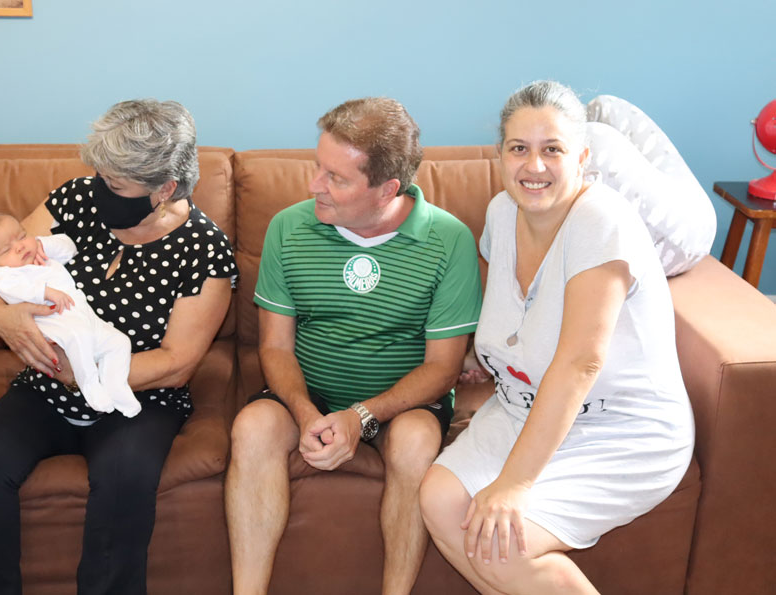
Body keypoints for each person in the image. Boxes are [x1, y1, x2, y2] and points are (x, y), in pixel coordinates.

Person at [0, 99, 237, 594]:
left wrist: (85, 376)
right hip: (46, 385)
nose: (100, 190)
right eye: (100, 176)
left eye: (116, 185)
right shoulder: (78, 200)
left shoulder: (204, 250)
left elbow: (177, 363)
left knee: (125, 483)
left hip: (138, 397)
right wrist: (7, 319)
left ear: (163, 189)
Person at [420, 80, 694, 595]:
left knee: (505, 545)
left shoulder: (600, 220)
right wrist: (485, 355)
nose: (535, 166)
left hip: (621, 430)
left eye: (553, 150)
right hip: (524, 407)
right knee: (438, 498)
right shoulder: (503, 212)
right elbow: (512, 310)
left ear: (583, 157)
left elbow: (580, 363)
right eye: (520, 148)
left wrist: (514, 484)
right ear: (500, 154)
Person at [225, 97, 481, 595]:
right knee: (252, 427)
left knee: (414, 446)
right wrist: (304, 415)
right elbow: (275, 347)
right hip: (311, 390)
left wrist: (362, 416)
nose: (313, 185)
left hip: (402, 400)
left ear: (387, 189)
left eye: (336, 178)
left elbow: (442, 367)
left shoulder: (449, 240)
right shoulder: (288, 227)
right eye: (318, 166)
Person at [0, 212, 140, 417]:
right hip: (51, 320)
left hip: (80, 313)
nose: (20, 247)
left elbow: (69, 249)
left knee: (119, 342)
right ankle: (90, 385)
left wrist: (42, 244)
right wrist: (45, 292)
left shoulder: (40, 256)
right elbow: (15, 288)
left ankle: (116, 386)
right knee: (79, 338)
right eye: (6, 249)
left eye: (22, 236)